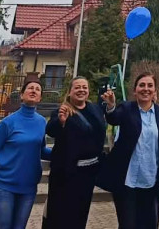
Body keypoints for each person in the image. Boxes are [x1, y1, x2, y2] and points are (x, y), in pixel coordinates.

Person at [97, 72, 159, 229]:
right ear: (135, 90)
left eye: (150, 85)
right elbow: (114, 118)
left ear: (155, 91)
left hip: (151, 181)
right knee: (128, 224)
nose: (146, 89)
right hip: (127, 181)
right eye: (142, 85)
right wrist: (111, 106)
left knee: (149, 224)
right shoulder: (127, 108)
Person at [44, 76, 107, 229]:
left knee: (80, 214)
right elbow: (50, 130)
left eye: (84, 87)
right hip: (66, 174)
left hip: (88, 174)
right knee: (59, 215)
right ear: (70, 91)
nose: (81, 90)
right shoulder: (63, 110)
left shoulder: (94, 109)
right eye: (77, 87)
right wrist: (61, 122)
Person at [0, 78, 47, 229]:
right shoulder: (8, 123)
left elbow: (41, 150)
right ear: (21, 95)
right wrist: (8, 167)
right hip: (4, 187)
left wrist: (66, 152)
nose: (33, 90)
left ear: (40, 97)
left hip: (28, 188)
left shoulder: (42, 122)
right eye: (30, 88)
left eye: (37, 89)